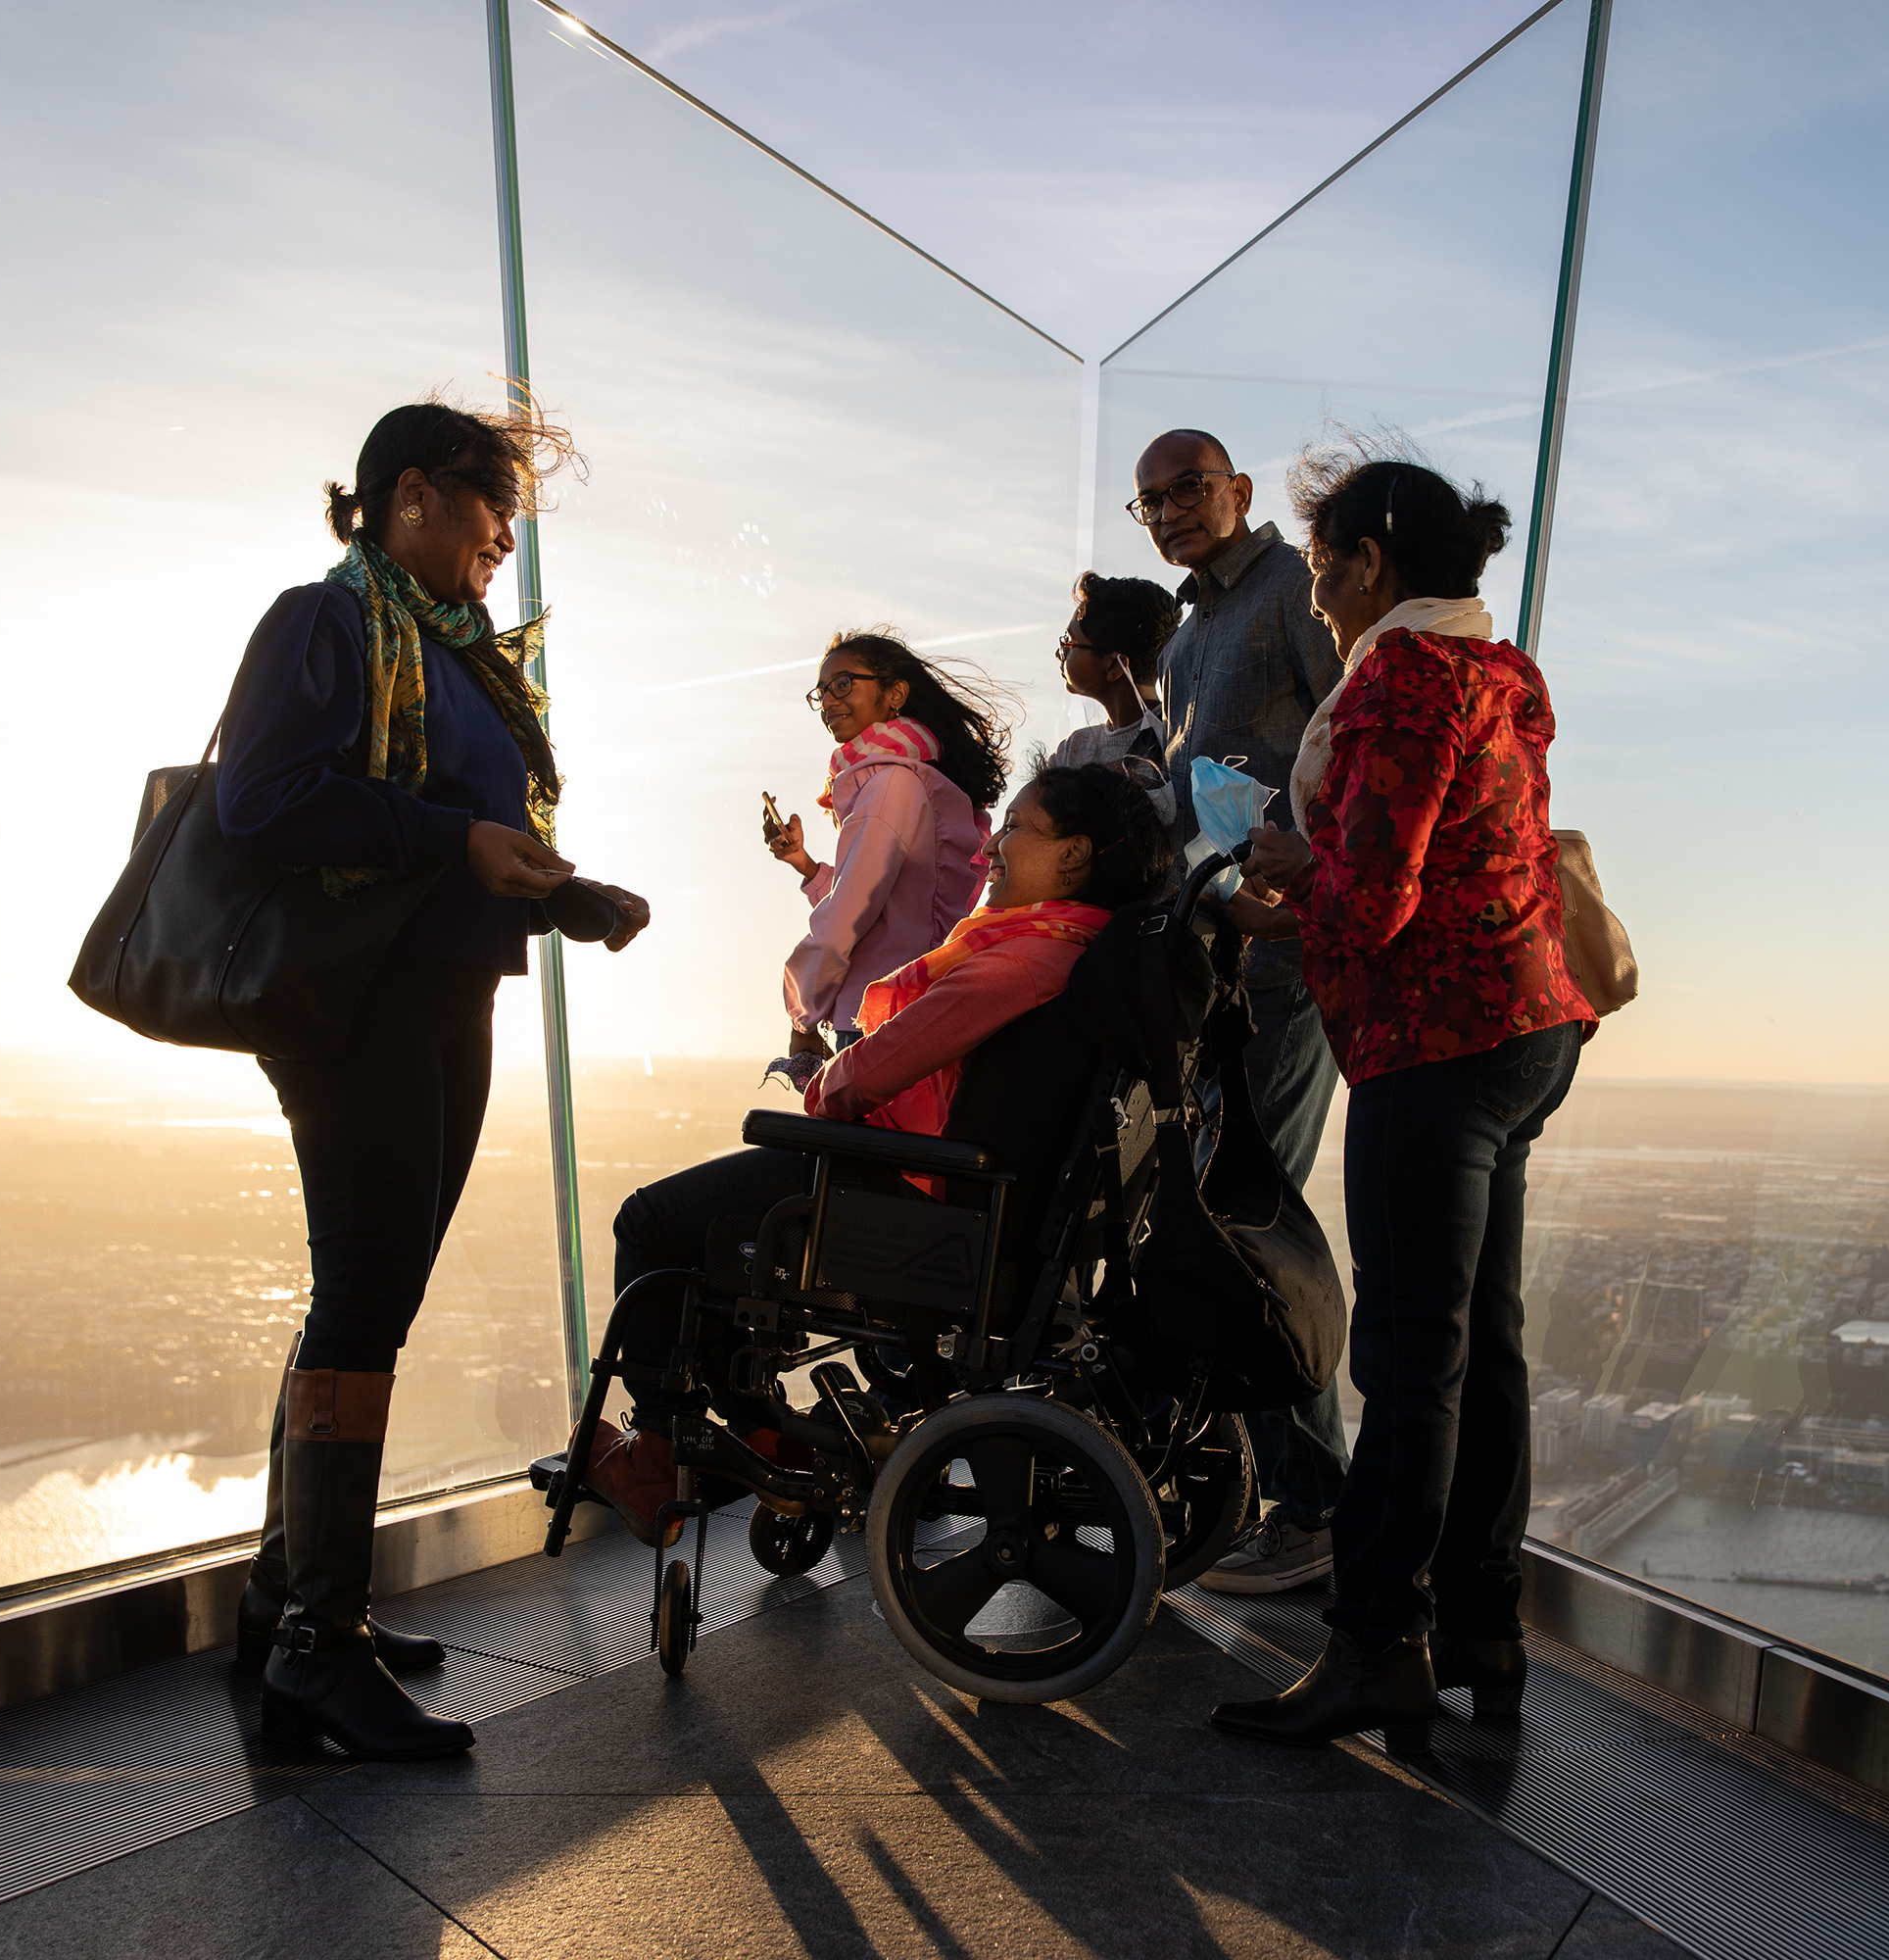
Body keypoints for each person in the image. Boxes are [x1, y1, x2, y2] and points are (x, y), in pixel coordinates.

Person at [215, 398, 652, 1760]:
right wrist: (457, 845)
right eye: (493, 509)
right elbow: (263, 802)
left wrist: (556, 893)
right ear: (412, 493)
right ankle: (314, 1652)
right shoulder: (324, 621)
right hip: (359, 1004)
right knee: (362, 1301)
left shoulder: (453, 651)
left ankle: (292, 1605)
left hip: (444, 989)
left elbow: (457, 836)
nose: (505, 542)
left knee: (373, 1295)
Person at [1210, 444, 1598, 1750]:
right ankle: (1485, 1627)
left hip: (1438, 1042)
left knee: (1410, 1358)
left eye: (1324, 573)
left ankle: (1377, 1645)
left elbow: (1371, 905)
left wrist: (1280, 867)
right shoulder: (1497, 669)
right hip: (1528, 1024)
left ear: (1370, 564)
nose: (1318, 601)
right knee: (1482, 1343)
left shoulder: (1402, 681)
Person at [582, 767, 1173, 1544]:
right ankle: (758, 1435)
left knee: (652, 1223)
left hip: (913, 1203)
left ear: (1073, 856)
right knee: (717, 1232)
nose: (994, 844)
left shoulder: (1026, 960)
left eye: (1020, 828)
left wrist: (817, 1086)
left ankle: (656, 1452)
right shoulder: (1091, 953)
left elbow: (862, 1078)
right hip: (970, 1198)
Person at [1128, 427, 1351, 1593]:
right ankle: (1285, 1493)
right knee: (1220, 1213)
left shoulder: (1290, 597)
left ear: (1240, 491)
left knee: (1243, 1220)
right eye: (1150, 499)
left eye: (1188, 489)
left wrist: (1301, 883)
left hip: (1288, 964)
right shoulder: (1185, 636)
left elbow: (1348, 752)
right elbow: (1192, 792)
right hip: (1219, 965)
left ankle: (1317, 1505)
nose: (1169, 511)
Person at [763, 631, 1006, 1072]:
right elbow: (882, 906)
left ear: (894, 694)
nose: (828, 702)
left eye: (843, 684)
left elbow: (846, 917)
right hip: (904, 1009)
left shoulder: (890, 784)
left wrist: (803, 1016)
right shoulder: (915, 778)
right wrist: (803, 862)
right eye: (821, 692)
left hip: (871, 1020)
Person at [1041, 570, 1177, 823]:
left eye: (1069, 643)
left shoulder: (1173, 742)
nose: (1060, 653)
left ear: (1115, 667)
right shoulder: (1072, 748)